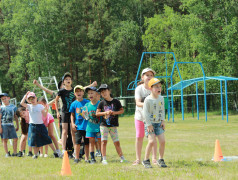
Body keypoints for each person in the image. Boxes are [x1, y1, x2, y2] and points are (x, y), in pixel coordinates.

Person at [96, 84, 126, 165]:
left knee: (116, 142)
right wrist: (105, 112)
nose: (104, 93)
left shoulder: (116, 101)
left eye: (105, 91)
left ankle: (122, 158)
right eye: (102, 92)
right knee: (103, 141)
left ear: (109, 91)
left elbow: (122, 110)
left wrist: (114, 113)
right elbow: (97, 113)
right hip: (104, 125)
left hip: (113, 126)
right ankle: (104, 159)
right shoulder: (101, 103)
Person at [133, 68, 158, 165]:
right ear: (142, 77)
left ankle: (154, 159)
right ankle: (138, 159)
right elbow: (138, 103)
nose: (149, 77)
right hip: (140, 117)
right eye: (147, 75)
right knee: (139, 137)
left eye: (151, 75)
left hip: (152, 119)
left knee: (153, 138)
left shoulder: (155, 88)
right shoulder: (139, 89)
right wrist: (148, 104)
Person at [20, 91, 55, 159]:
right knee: (34, 141)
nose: (32, 100)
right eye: (30, 99)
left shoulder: (40, 106)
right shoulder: (29, 106)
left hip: (41, 125)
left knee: (47, 139)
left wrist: (46, 109)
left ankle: (55, 152)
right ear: (28, 100)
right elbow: (21, 103)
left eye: (33, 98)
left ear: (36, 98)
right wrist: (25, 95)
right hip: (32, 126)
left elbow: (44, 115)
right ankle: (35, 154)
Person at [142, 78, 167, 168]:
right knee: (152, 141)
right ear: (150, 88)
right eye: (156, 87)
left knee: (163, 141)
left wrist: (163, 121)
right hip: (150, 124)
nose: (159, 88)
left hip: (159, 123)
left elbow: (162, 110)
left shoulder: (162, 98)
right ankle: (146, 160)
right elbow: (145, 113)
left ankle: (160, 159)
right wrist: (149, 125)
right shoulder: (148, 100)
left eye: (160, 86)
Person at [69, 85, 90, 163]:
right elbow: (72, 114)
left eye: (80, 91)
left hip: (87, 126)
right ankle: (76, 158)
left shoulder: (87, 102)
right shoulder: (73, 104)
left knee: (87, 143)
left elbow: (90, 113)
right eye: (77, 91)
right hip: (78, 126)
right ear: (74, 94)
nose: (79, 93)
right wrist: (72, 123)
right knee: (77, 143)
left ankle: (87, 158)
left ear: (83, 93)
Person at [83, 87, 101, 164]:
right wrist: (84, 114)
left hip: (99, 127)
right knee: (91, 142)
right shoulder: (86, 105)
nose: (90, 95)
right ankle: (92, 158)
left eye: (92, 93)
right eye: (89, 93)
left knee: (100, 142)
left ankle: (103, 156)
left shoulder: (100, 104)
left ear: (96, 94)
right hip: (90, 128)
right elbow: (85, 117)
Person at [0, 93, 19, 157]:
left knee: (15, 138)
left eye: (5, 98)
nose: (4, 100)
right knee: (5, 139)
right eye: (2, 99)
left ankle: (15, 152)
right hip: (4, 125)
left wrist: (17, 125)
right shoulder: (1, 108)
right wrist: (0, 127)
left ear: (8, 98)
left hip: (11, 125)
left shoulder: (13, 107)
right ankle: (7, 153)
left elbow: (15, 116)